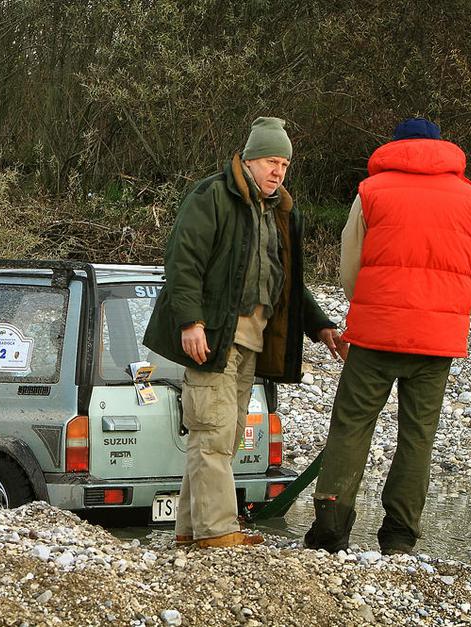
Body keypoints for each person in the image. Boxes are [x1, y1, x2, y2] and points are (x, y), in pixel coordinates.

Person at [143, 117, 344, 549]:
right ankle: (217, 533)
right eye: (272, 161)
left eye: (285, 164)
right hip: (212, 337)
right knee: (212, 432)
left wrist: (321, 325)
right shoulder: (212, 196)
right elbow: (183, 262)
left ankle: (189, 531)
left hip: (251, 341)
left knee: (222, 437)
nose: (278, 171)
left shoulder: (279, 214)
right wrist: (190, 323)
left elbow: (287, 285)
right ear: (250, 160)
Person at [303, 117, 471, 555]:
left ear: (395, 148)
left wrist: (364, 304)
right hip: (437, 338)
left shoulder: (371, 192)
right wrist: (451, 313)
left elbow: (352, 264)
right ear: (442, 149)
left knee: (351, 426)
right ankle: (400, 538)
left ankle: (331, 530)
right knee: (417, 436)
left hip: (376, 333)